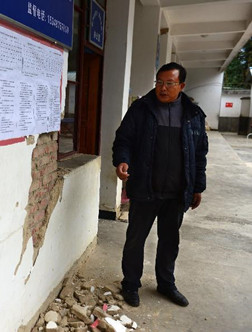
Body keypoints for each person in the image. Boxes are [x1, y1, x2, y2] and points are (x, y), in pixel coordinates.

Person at [112, 62, 208, 307]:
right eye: (159, 82)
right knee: (135, 239)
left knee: (169, 241)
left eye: (169, 83)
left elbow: (200, 154)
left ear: (181, 85)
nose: (162, 88)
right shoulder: (141, 109)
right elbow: (123, 139)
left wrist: (197, 186)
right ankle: (131, 284)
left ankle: (166, 284)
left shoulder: (193, 115)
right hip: (145, 188)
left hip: (176, 192)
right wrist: (122, 160)